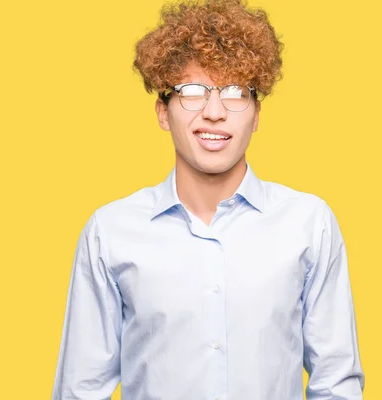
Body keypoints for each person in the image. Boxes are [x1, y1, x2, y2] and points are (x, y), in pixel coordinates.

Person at [51, 0, 365, 398]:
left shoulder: (309, 224)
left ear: (256, 114)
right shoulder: (111, 231)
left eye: (235, 92)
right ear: (163, 113)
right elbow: (80, 388)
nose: (214, 112)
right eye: (192, 91)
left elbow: (336, 383)